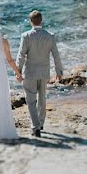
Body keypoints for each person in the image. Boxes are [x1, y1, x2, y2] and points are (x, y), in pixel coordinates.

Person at [17, 10, 63, 138]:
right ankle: (41, 123)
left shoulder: (26, 36)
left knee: (31, 101)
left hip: (30, 72)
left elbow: (21, 55)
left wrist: (18, 71)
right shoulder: (50, 36)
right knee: (42, 98)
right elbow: (56, 55)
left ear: (30, 22)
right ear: (41, 21)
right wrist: (59, 72)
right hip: (44, 72)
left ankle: (35, 127)